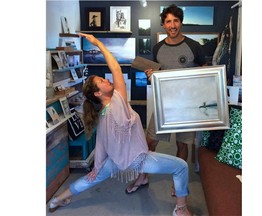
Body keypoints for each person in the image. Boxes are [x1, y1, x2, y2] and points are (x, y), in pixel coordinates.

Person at [48, 32, 192, 216]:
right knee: (181, 166)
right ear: (99, 94)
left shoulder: (103, 113)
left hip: (115, 161)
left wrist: (98, 166)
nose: (107, 80)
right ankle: (181, 209)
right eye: (102, 81)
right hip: (137, 160)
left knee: (91, 178)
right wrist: (97, 42)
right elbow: (116, 68)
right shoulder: (117, 102)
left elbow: (101, 143)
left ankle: (57, 200)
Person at [126, 4, 207, 196]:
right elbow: (157, 75)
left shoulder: (194, 46)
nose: (172, 25)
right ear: (163, 25)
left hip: (187, 106)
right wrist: (150, 76)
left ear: (181, 23)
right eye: (168, 21)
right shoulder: (158, 48)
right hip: (164, 104)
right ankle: (143, 176)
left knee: (182, 145)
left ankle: (177, 183)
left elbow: (205, 73)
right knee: (150, 142)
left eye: (176, 21)